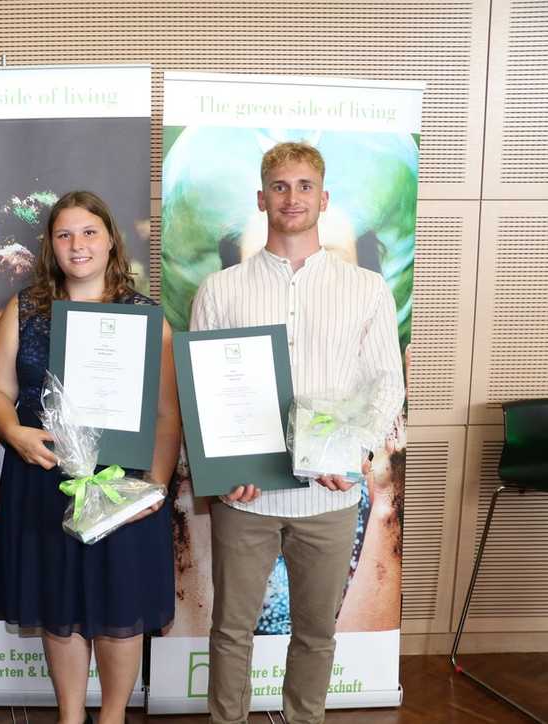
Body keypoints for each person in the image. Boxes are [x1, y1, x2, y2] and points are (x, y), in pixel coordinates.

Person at [189, 141, 405, 724]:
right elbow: (203, 393)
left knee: (315, 633)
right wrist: (222, 470)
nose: (292, 197)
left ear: (323, 198)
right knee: (230, 630)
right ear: (261, 199)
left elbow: (387, 384)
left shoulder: (365, 289)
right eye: (280, 186)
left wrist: (354, 454)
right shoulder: (221, 290)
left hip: (330, 495)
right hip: (246, 496)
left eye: (304, 186)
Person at [0, 190, 179, 724]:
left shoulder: (147, 318)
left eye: (89, 232)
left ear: (111, 239)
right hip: (44, 478)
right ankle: (70, 715)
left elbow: (167, 415)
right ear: (51, 244)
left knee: (120, 605)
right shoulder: (26, 309)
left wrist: (156, 486)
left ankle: (112, 716)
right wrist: (13, 433)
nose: (78, 244)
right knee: (59, 603)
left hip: (123, 486)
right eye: (64, 234)